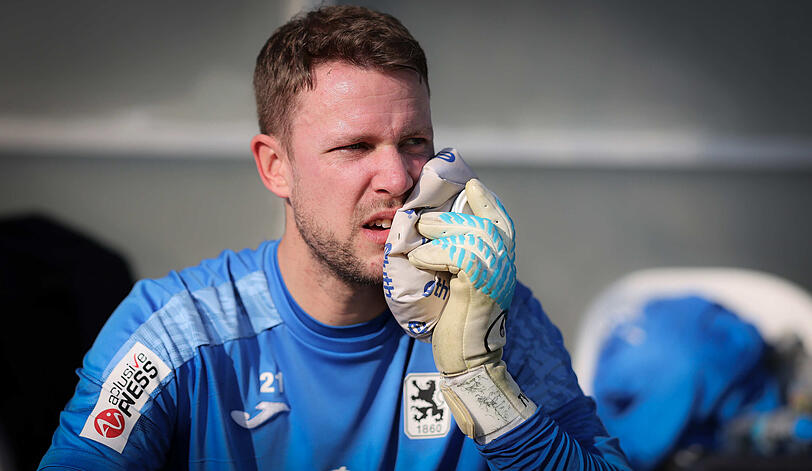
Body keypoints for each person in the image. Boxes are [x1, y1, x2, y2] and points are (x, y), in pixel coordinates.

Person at [39, 6, 630, 470]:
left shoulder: (496, 314)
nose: (398, 179)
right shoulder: (173, 332)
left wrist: (484, 385)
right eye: (355, 147)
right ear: (276, 167)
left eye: (414, 142)